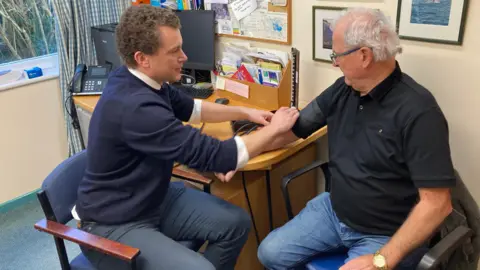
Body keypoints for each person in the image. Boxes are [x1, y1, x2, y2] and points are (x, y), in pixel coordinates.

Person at [73, 5, 299, 270]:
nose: (184, 56)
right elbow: (221, 156)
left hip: (151, 198)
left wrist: (246, 111)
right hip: (113, 223)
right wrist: (274, 129)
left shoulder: (142, 80)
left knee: (235, 224)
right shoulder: (136, 107)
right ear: (143, 58)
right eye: (174, 51)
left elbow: (193, 108)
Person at [250, 7, 455, 270]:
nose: (334, 63)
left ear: (364, 56)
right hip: (334, 211)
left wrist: (381, 260)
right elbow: (294, 129)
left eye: (336, 55)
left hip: (385, 232)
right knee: (269, 253)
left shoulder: (419, 111)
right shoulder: (344, 88)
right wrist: (241, 152)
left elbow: (438, 204)